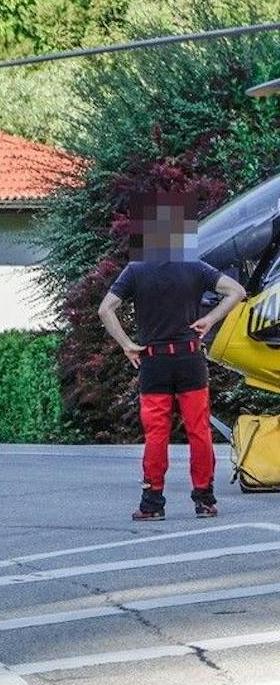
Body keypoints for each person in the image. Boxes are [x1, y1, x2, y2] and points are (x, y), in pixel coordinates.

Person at [99, 192, 247, 520]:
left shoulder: (136, 270)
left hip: (153, 361)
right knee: (199, 430)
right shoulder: (195, 267)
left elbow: (106, 309)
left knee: (156, 433)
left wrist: (126, 343)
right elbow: (237, 291)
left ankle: (152, 504)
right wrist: (210, 319)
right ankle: (205, 501)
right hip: (190, 359)